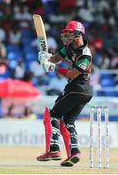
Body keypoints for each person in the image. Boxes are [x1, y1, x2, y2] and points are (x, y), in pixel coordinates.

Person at [36, 21, 93, 166]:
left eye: (70, 33)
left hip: (78, 88)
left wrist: (54, 68)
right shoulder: (69, 47)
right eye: (66, 33)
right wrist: (46, 57)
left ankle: (54, 149)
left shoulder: (85, 54)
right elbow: (56, 58)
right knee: (68, 122)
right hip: (83, 91)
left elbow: (72, 74)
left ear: (79, 34)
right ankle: (74, 152)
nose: (67, 36)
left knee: (53, 114)